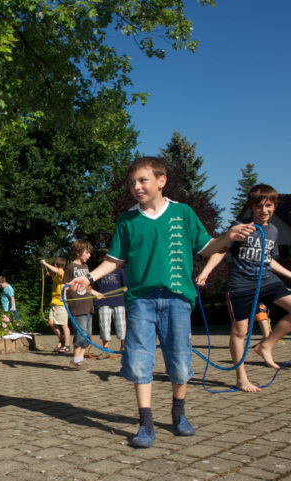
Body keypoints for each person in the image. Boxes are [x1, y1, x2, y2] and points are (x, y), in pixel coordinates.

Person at [69, 156, 255, 448]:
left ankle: (178, 414)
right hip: (140, 300)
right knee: (140, 360)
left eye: (142, 180)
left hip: (177, 299)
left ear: (161, 181)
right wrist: (89, 277)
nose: (136, 187)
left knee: (179, 363)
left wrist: (228, 236)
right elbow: (115, 260)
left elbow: (207, 248)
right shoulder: (128, 219)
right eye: (132, 182)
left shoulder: (183, 213)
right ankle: (145, 423)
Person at [195, 184, 291, 392]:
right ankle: (241, 378)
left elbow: (269, 260)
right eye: (259, 206)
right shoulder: (240, 226)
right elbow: (220, 251)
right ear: (251, 207)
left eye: (269, 206)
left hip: (267, 280)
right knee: (241, 331)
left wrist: (289, 274)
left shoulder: (273, 230)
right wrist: (205, 272)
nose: (264, 210)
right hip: (241, 285)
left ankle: (266, 345)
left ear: (274, 206)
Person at [63, 240, 100, 370]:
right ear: (78, 253)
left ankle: (81, 360)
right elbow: (64, 286)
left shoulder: (85, 268)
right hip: (77, 306)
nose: (89, 255)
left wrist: (96, 293)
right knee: (81, 333)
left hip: (88, 304)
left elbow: (88, 286)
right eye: (87, 253)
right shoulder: (70, 267)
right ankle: (75, 360)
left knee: (87, 333)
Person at [93, 248, 127, 357]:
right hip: (103, 302)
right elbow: (92, 287)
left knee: (121, 325)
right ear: (102, 258)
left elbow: (125, 286)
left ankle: (123, 347)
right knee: (104, 326)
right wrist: (96, 293)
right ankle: (105, 350)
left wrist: (123, 290)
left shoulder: (119, 270)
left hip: (118, 301)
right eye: (106, 256)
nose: (108, 258)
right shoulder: (97, 271)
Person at [41, 258, 71, 353]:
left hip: (61, 304)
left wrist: (45, 263)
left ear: (57, 265)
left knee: (64, 325)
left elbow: (57, 271)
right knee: (51, 323)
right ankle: (61, 340)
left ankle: (67, 345)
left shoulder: (63, 273)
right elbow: (54, 275)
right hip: (54, 303)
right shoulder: (57, 276)